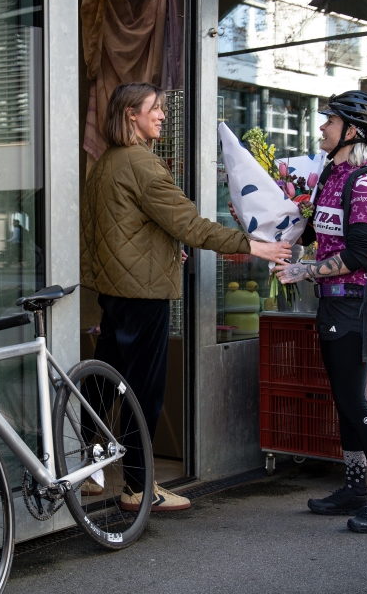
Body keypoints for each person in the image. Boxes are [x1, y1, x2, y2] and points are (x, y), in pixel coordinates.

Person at [80, 82, 290, 512]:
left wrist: (160, 248)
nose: (161, 115)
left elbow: (121, 227)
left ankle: (85, 467)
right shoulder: (144, 166)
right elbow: (191, 225)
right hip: (144, 293)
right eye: (153, 109)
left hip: (115, 290)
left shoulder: (105, 164)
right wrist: (254, 245)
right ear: (130, 116)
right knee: (144, 391)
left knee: (104, 383)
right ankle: (138, 487)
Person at [273, 91, 367, 533]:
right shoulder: (331, 174)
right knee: (343, 400)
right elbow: (315, 232)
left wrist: (304, 271)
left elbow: (359, 253)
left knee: (354, 400)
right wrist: (272, 226)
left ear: (352, 131)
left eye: (329, 120)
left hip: (352, 303)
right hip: (332, 303)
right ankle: (355, 488)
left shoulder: (365, 184)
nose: (322, 127)